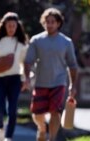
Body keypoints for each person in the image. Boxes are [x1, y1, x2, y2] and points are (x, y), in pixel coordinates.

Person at [22, 8, 78, 141]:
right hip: (40, 83)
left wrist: (72, 85)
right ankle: (41, 129)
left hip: (59, 83)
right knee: (37, 113)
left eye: (53, 22)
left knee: (55, 112)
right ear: (44, 23)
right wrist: (26, 78)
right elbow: (28, 61)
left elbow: (72, 65)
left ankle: (52, 138)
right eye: (47, 22)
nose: (49, 24)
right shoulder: (36, 40)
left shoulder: (66, 42)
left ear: (58, 23)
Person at [0, 12, 28, 141]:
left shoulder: (21, 44)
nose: (11, 28)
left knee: (12, 110)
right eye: (9, 26)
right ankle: (0, 128)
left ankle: (8, 137)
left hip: (15, 79)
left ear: (17, 26)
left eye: (14, 26)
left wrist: (25, 79)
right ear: (4, 26)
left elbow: (25, 63)